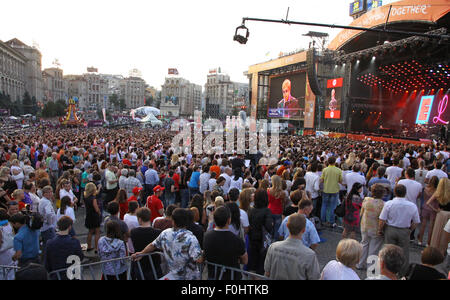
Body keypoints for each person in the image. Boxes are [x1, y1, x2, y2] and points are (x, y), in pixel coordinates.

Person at [132, 208, 203, 280]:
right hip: (189, 277)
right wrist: (203, 253)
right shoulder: (191, 238)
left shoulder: (165, 233)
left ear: (173, 221)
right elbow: (199, 259)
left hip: (173, 276)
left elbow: (153, 245)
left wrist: (142, 253)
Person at [378, 184, 421, 275]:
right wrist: (410, 229)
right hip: (404, 230)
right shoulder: (412, 205)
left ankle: (385, 272)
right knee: (404, 253)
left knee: (387, 252)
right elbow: (416, 221)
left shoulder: (389, 203)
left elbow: (382, 219)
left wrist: (380, 229)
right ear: (405, 193)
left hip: (390, 229)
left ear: (395, 192)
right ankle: (402, 274)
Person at [264, 213, 320, 280]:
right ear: (303, 230)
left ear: (287, 226)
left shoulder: (273, 247)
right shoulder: (309, 255)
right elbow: (314, 277)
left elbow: (267, 273)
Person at [203, 206, 248, 280]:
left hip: (213, 276)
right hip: (232, 276)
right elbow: (245, 260)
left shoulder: (207, 237)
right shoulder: (236, 240)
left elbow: (205, 254)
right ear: (229, 220)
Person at [357, 184, 385, 270]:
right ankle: (371, 267)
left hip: (365, 225)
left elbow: (361, 213)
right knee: (374, 248)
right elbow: (382, 219)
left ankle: (360, 263)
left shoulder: (366, 200)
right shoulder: (383, 204)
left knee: (364, 244)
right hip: (376, 228)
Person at [130, 207, 163, 280]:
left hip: (140, 265)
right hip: (154, 265)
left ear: (140, 219)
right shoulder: (158, 232)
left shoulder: (133, 232)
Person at [247, 189, 273, 275]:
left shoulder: (251, 210)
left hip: (252, 238)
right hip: (262, 240)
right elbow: (269, 227)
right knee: (261, 262)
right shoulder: (266, 211)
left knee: (253, 260)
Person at [428, 178, 450, 256]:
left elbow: (428, 203)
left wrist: (435, 209)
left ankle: (434, 250)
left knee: (437, 233)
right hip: (448, 214)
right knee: (446, 234)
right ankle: (443, 251)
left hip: (440, 214)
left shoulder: (438, 192)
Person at [320, 156, 343, 227]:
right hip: (334, 190)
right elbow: (340, 180)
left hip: (326, 189)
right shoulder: (338, 170)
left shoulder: (325, 170)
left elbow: (322, 180)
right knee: (333, 206)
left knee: (324, 205)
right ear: (334, 162)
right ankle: (331, 221)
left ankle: (323, 220)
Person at [417, 176, 439, 246]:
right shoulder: (437, 191)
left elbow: (423, 198)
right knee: (431, 226)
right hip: (433, 208)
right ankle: (428, 242)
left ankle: (420, 240)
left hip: (425, 207)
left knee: (423, 225)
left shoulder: (425, 189)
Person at [84, 182, 101, 254]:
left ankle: (89, 246)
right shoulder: (93, 199)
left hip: (88, 215)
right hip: (94, 216)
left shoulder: (86, 197)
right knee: (97, 232)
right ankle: (97, 248)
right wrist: (99, 213)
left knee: (90, 232)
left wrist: (99, 189)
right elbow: (96, 209)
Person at [38, 185, 57, 249]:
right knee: (51, 245)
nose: (50, 194)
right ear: (43, 194)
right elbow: (48, 213)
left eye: (51, 192)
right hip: (48, 228)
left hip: (44, 227)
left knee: (46, 244)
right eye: (48, 192)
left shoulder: (42, 200)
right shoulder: (46, 202)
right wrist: (50, 223)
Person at [267, 175, 285, 240]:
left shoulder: (268, 190)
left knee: (270, 227)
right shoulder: (282, 193)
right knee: (277, 228)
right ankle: (275, 241)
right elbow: (283, 203)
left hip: (270, 210)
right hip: (278, 211)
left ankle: (269, 240)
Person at [0, 208, 16, 280]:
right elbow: (13, 235)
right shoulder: (9, 224)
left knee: (3, 273)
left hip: (2, 253)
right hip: (11, 251)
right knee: (11, 272)